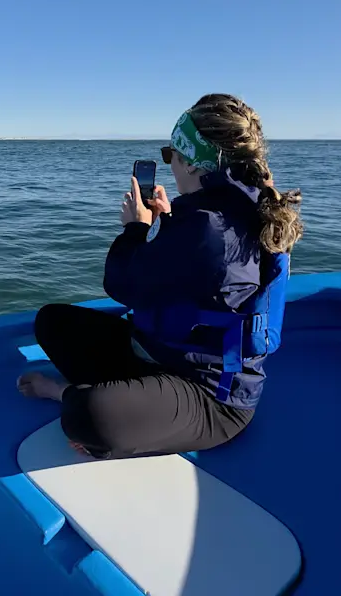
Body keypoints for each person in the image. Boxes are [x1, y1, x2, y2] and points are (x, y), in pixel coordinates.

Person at [18, 93, 304, 459]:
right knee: (53, 321)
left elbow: (121, 283)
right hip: (159, 353)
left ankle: (67, 393)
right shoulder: (235, 208)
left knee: (87, 415)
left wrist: (136, 229)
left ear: (194, 165)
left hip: (211, 397)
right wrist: (169, 222)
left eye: (173, 155)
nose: (170, 165)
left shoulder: (207, 230)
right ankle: (127, 396)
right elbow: (195, 278)